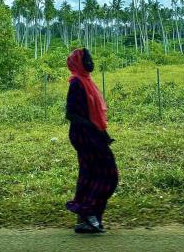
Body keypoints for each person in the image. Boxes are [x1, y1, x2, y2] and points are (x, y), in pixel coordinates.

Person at [65, 48, 118, 234]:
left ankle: (86, 219)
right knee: (107, 174)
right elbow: (70, 114)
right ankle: (88, 214)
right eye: (87, 60)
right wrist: (93, 129)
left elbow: (94, 114)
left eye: (91, 59)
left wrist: (103, 133)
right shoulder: (77, 84)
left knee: (91, 174)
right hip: (83, 135)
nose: (91, 62)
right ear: (79, 63)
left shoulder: (87, 82)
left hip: (92, 134)